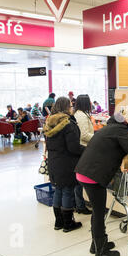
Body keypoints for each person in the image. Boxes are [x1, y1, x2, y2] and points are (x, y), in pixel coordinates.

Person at [75, 111, 128, 256]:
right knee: (99, 213)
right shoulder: (121, 130)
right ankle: (101, 252)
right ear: (124, 122)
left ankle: (96, 245)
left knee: (97, 212)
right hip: (93, 176)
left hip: (83, 172)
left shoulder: (107, 129)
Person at [44, 97, 85, 233]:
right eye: (70, 106)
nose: (72, 108)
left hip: (54, 161)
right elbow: (73, 147)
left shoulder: (49, 122)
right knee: (68, 190)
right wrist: (86, 150)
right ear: (67, 107)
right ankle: (68, 223)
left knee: (58, 190)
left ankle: (58, 222)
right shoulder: (68, 124)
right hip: (67, 162)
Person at [73, 94, 94, 215]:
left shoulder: (80, 114)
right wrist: (97, 138)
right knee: (79, 182)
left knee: (78, 181)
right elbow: (84, 135)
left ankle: (79, 204)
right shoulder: (81, 116)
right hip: (83, 148)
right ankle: (80, 205)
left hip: (83, 148)